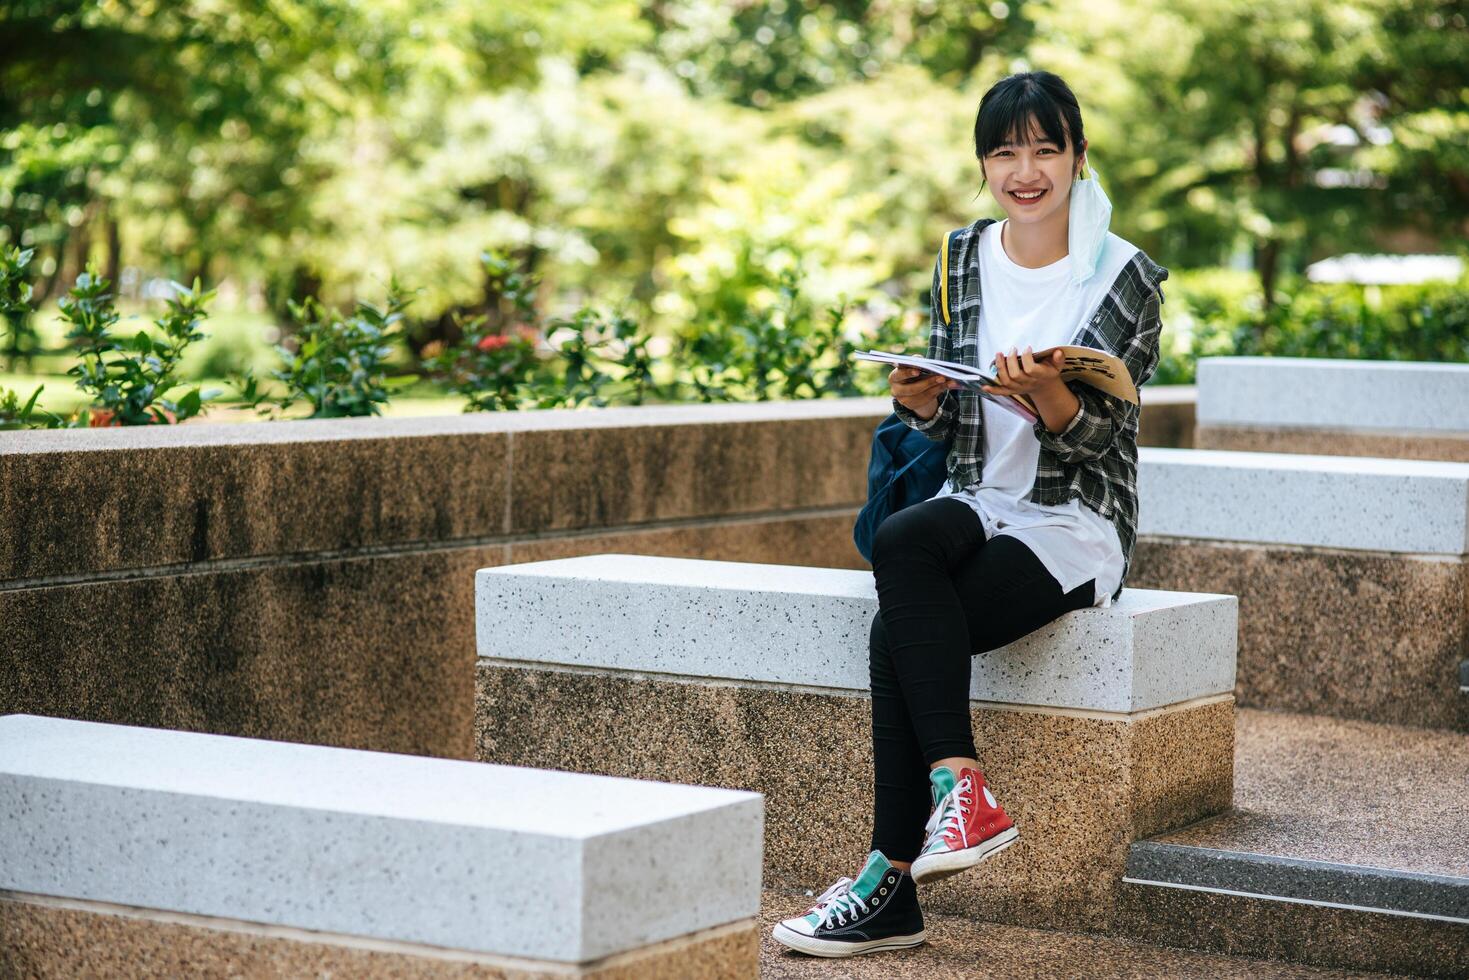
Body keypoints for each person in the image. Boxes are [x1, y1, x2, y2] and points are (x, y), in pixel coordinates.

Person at [771, 70, 1169, 958]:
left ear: (1076, 156)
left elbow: (1103, 435)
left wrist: (1051, 401)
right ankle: (962, 790)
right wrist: (918, 398)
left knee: (894, 633)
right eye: (1003, 152)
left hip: (1071, 519)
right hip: (977, 495)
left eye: (1043, 149)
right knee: (906, 539)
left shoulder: (1126, 276)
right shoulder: (962, 255)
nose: (1024, 171)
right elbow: (951, 409)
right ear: (984, 164)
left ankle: (889, 882)